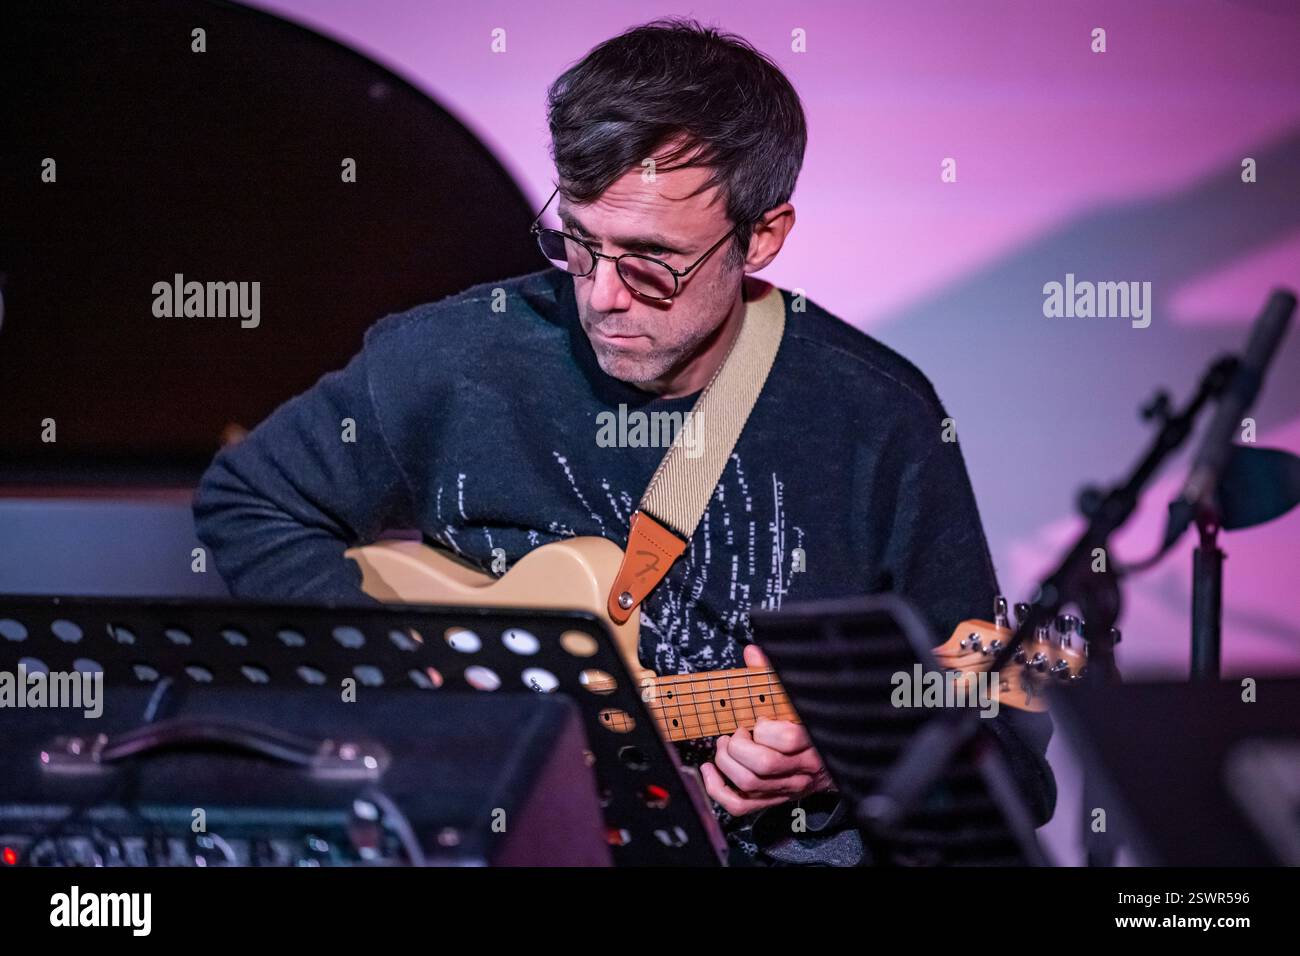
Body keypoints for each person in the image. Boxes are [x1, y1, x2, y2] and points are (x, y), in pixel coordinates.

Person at [194, 17, 1055, 865]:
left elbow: (1007, 759)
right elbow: (248, 500)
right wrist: (402, 680)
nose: (602, 294)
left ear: (761, 237)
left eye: (651, 261)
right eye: (577, 240)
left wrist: (836, 770)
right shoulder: (453, 357)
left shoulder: (879, 419)